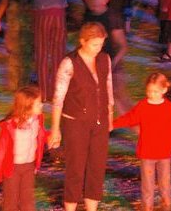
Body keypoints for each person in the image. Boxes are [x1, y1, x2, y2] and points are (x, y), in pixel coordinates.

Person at [49, 22, 114, 211]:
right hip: (75, 123)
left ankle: (91, 208)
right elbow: (58, 99)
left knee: (97, 167)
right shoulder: (69, 63)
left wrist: (110, 116)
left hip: (100, 122)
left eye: (101, 44)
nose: (98, 48)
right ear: (82, 41)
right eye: (94, 44)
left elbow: (108, 88)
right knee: (75, 168)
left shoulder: (105, 59)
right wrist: (55, 129)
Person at [113, 73, 171, 211]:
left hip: (164, 154)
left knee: (165, 184)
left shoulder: (169, 108)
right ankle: (147, 207)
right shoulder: (143, 106)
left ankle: (166, 205)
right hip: (147, 153)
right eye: (149, 91)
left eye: (155, 91)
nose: (152, 94)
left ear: (164, 90)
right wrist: (113, 124)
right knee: (147, 186)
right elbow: (129, 118)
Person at [23, 0, 75, 102]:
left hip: (41, 14)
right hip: (58, 14)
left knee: (42, 53)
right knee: (58, 52)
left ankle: (44, 93)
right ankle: (57, 92)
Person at [0, 85, 47, 211]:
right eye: (38, 104)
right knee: (11, 201)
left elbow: (41, 135)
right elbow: (0, 151)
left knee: (28, 200)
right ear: (27, 106)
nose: (42, 105)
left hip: (29, 166)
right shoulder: (10, 126)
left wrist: (51, 136)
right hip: (12, 168)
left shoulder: (37, 120)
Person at [84, 0, 130, 114]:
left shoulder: (111, 17)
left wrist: (112, 64)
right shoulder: (88, 16)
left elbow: (123, 46)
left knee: (119, 97)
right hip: (93, 66)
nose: (95, 1)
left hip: (112, 67)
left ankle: (136, 124)